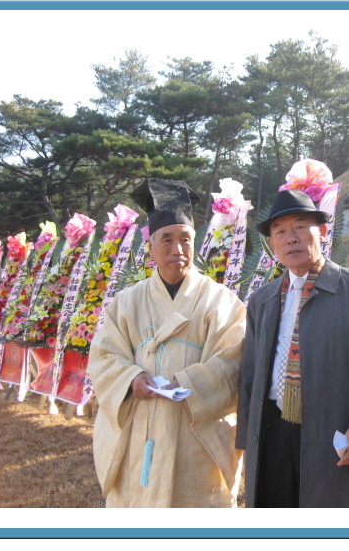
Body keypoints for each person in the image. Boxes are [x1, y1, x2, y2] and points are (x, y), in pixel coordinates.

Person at [87, 179, 246, 507]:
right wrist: (131, 378)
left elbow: (234, 360)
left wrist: (188, 383)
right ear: (151, 247)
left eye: (185, 240)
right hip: (138, 426)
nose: (177, 249)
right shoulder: (126, 302)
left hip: (193, 432)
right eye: (167, 240)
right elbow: (104, 355)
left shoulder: (221, 301)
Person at [236, 189, 349, 507]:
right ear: (272, 243)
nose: (290, 238)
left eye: (300, 227)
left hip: (333, 432)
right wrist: (247, 440)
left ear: (321, 231)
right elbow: (249, 373)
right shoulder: (262, 300)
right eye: (280, 231)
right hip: (272, 431)